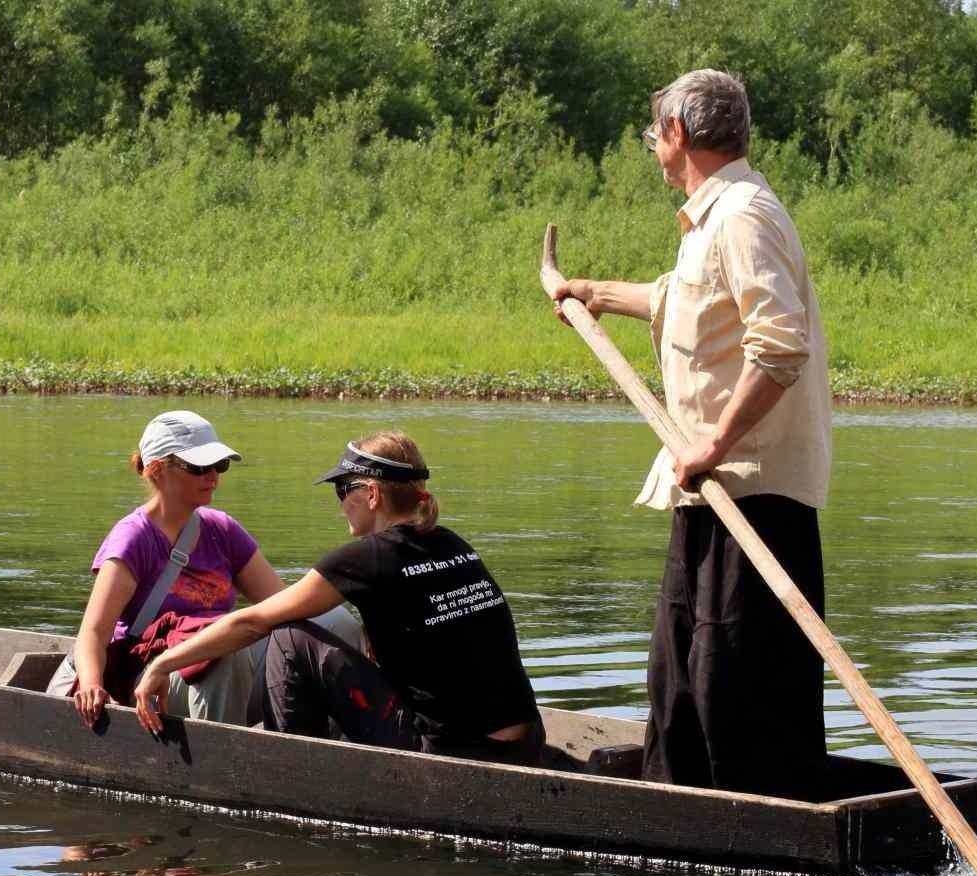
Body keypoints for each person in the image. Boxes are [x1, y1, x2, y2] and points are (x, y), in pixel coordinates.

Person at [549, 69, 832, 799]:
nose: (654, 150)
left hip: (748, 495)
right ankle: (683, 822)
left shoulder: (741, 215)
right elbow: (687, 304)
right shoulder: (716, 218)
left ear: (676, 134)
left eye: (654, 136)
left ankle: (744, 833)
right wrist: (595, 295)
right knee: (679, 680)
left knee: (729, 688)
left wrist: (714, 445)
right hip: (710, 493)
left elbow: (778, 345)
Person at [132, 431, 545, 768]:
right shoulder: (452, 542)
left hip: (451, 752)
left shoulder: (364, 559)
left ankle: (288, 770)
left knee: (290, 636)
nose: (340, 504)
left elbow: (252, 622)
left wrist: (164, 663)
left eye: (341, 490)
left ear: (371, 494)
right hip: (526, 740)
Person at [48, 410, 284, 727]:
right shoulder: (134, 537)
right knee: (224, 651)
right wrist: (91, 685)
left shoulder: (223, 530)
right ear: (157, 470)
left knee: (312, 627)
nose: (213, 476)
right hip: (147, 678)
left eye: (219, 465)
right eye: (199, 467)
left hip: (215, 671)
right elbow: (93, 632)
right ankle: (221, 763)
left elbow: (282, 605)